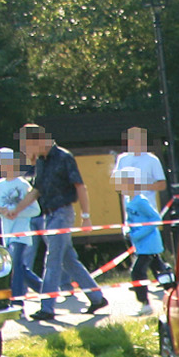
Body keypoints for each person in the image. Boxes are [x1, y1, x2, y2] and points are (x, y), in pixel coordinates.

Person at [18, 123, 105, 321]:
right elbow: (36, 190)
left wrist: (86, 215)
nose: (26, 150)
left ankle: (47, 307)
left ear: (37, 140)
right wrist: (16, 210)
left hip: (62, 213)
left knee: (53, 259)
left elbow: (80, 186)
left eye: (27, 145)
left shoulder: (64, 157)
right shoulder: (41, 161)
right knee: (68, 259)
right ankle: (97, 297)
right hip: (48, 215)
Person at [0, 147, 41, 301]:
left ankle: (18, 302)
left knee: (16, 268)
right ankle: (46, 290)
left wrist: (15, 211)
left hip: (21, 232)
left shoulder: (23, 184)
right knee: (18, 268)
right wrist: (0, 211)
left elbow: (35, 210)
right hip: (7, 233)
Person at [113, 166, 166, 314]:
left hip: (149, 244)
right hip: (141, 245)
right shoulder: (129, 202)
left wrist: (137, 234)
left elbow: (155, 219)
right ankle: (174, 293)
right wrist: (127, 230)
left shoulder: (141, 201)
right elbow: (132, 220)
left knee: (137, 273)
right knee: (161, 272)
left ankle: (145, 304)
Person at [112, 127, 165, 200]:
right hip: (130, 206)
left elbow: (162, 185)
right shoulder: (122, 158)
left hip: (148, 205)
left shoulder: (153, 160)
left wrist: (142, 186)